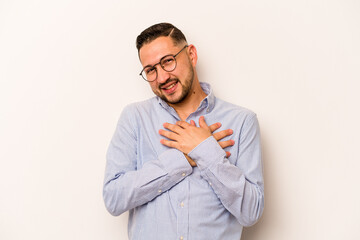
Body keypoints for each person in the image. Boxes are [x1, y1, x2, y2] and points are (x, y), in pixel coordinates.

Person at [103, 22, 264, 240]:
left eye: (168, 61)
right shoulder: (135, 118)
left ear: (191, 54)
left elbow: (251, 212)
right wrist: (185, 158)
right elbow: (114, 198)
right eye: (151, 70)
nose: (162, 78)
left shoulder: (242, 121)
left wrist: (207, 153)